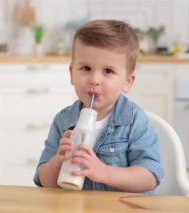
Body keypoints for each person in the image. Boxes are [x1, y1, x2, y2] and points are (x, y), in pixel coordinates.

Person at [33, 20, 163, 193]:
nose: (95, 79)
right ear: (72, 74)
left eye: (108, 71)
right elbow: (43, 181)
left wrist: (105, 173)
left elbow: (150, 176)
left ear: (127, 82)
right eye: (86, 68)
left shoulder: (135, 121)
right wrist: (57, 162)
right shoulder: (63, 121)